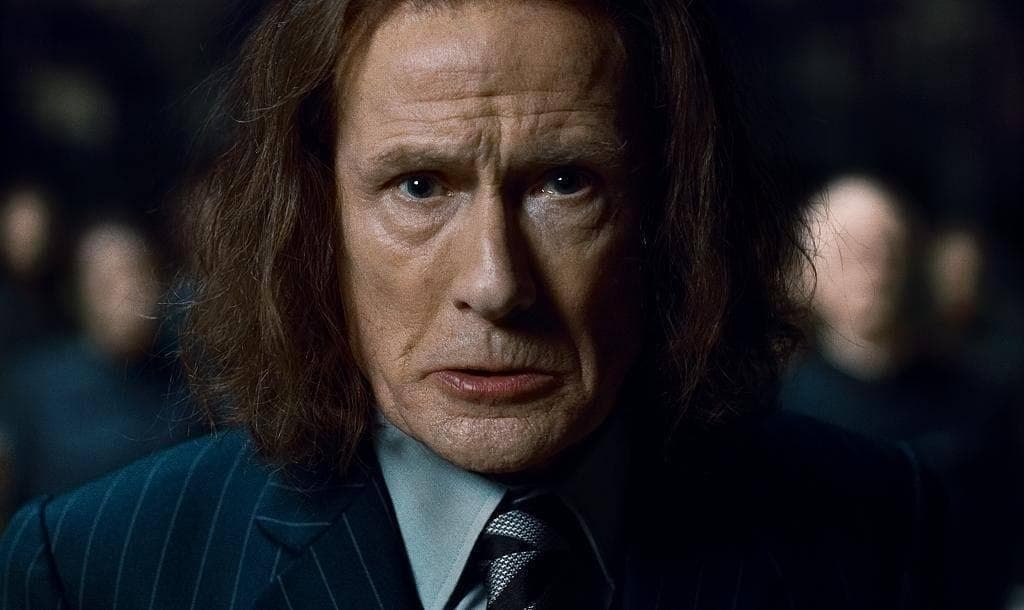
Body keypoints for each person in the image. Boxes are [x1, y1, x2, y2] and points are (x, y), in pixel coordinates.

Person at [0, 1, 940, 609]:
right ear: (318, 224)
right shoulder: (91, 570)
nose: (496, 285)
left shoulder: (872, 530)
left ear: (668, 214)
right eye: (419, 186)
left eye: (565, 182)